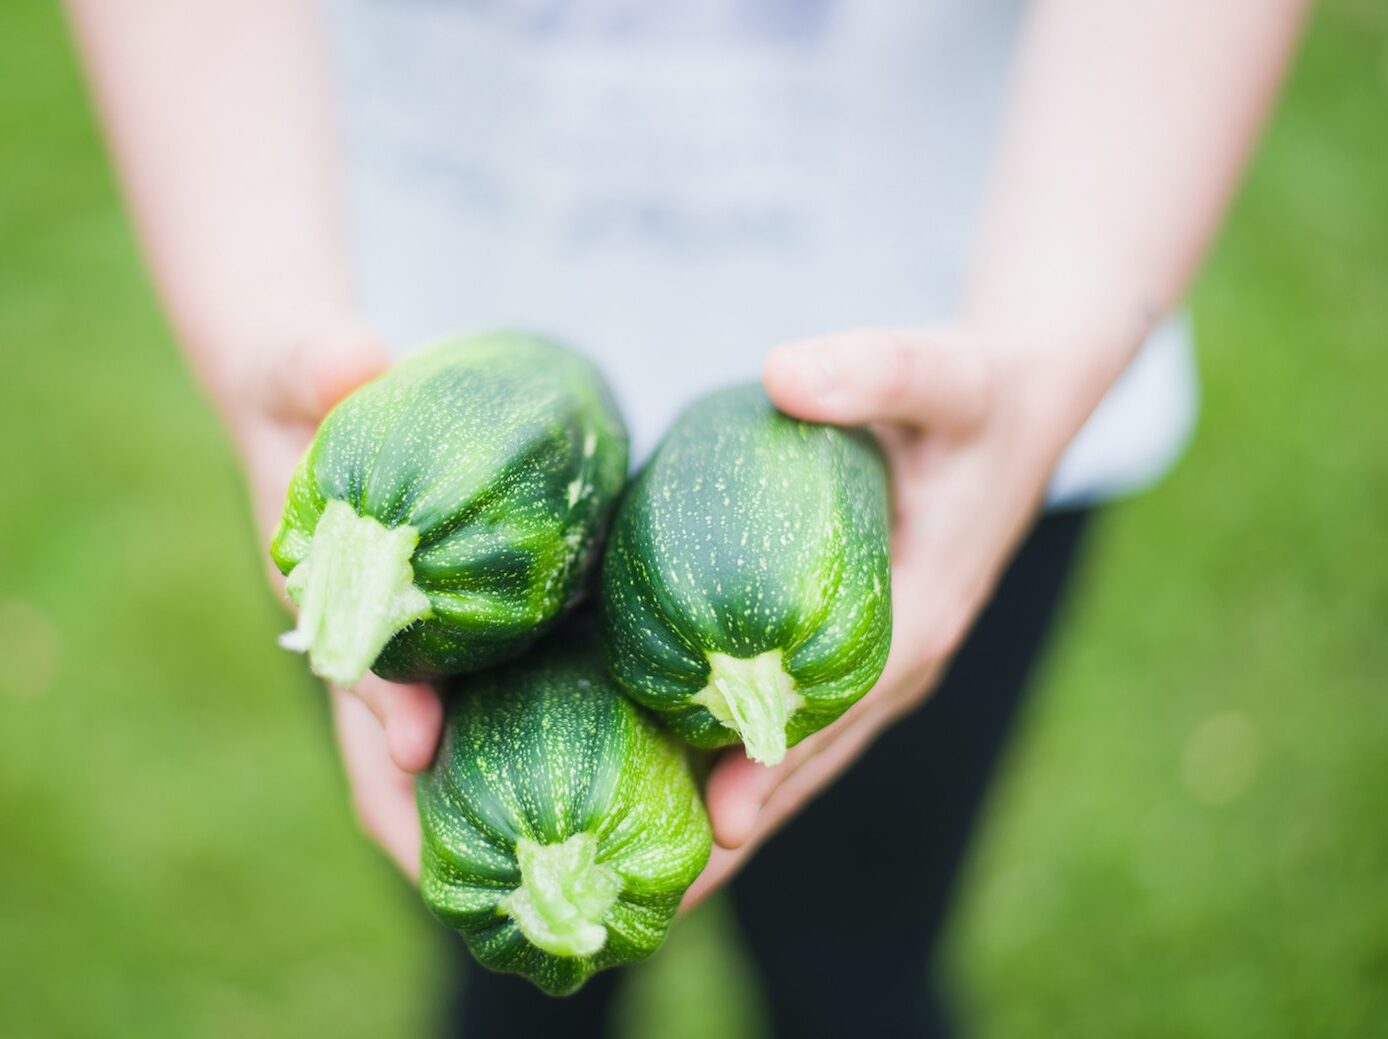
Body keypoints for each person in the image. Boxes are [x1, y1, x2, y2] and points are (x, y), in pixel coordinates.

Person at [66, 1, 1307, 1034]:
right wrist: (255, 320)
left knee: (858, 958)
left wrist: (1051, 356)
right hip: (413, 371)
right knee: (511, 978)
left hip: (963, 375)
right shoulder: (376, 503)